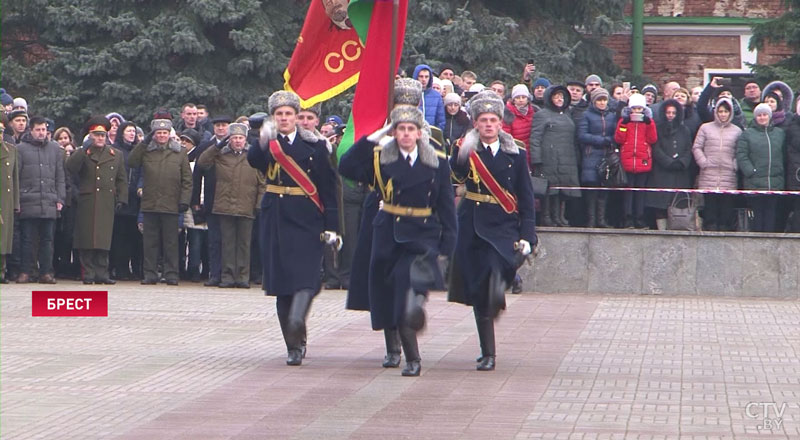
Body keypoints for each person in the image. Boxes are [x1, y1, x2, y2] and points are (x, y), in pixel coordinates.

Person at [338, 105, 456, 376]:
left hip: (423, 233)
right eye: (400, 129)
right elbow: (346, 166)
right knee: (390, 296)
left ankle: (413, 358)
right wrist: (373, 138)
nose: (405, 134)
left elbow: (446, 204)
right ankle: (398, 350)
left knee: (409, 295)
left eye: (410, 129)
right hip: (388, 232)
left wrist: (449, 247)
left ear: (418, 133)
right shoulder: (381, 157)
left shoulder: (435, 159)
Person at [247, 90, 339, 366]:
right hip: (276, 217)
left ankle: (298, 322)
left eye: (289, 114)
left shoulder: (316, 147)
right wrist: (263, 138)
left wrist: (333, 227)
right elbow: (254, 161)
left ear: (297, 118)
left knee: (306, 277)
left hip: (308, 219)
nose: (284, 118)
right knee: (282, 284)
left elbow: (328, 189)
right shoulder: (268, 144)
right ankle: (293, 344)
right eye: (279, 114)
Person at [448, 91, 536, 371]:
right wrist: (461, 155)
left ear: (500, 123)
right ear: (475, 123)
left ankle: (502, 286)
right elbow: (455, 178)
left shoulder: (516, 152)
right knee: (480, 289)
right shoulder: (465, 148)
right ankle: (489, 353)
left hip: (504, 225)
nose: (488, 125)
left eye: (493, 120)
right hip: (473, 224)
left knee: (495, 278)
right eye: (483, 120)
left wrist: (528, 234)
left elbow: (525, 196)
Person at [198, 123, 264, 288]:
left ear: (245, 139)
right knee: (227, 243)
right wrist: (217, 145)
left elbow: (262, 183)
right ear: (229, 140)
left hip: (246, 205)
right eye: (234, 138)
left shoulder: (254, 155)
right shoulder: (221, 155)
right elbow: (202, 162)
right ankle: (227, 277)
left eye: (240, 138)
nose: (237, 141)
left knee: (244, 244)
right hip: (224, 206)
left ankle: (242, 277)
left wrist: (259, 204)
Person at [128, 119, 193, 285]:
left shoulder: (180, 153)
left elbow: (187, 180)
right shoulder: (147, 150)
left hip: (172, 204)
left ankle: (171, 274)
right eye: (158, 133)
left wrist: (184, 201)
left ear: (169, 134)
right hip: (150, 203)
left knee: (171, 243)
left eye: (164, 133)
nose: (162, 136)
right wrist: (144, 142)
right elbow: (132, 161)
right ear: (154, 135)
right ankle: (150, 274)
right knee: (150, 243)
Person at [65, 117, 128, 284]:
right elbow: (70, 168)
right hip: (87, 200)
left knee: (103, 239)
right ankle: (88, 273)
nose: (100, 138)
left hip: (107, 201)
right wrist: (81, 150)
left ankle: (102, 273)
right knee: (86, 239)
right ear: (90, 136)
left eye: (102, 135)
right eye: (96, 135)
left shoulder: (116, 155)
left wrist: (122, 198)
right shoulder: (84, 152)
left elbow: (121, 179)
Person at [16, 116, 66, 284]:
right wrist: (18, 200)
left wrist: (60, 197)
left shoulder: (55, 149)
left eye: (43, 129)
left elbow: (60, 176)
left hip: (49, 201)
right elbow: (17, 176)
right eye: (37, 130)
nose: (41, 133)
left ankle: (46, 272)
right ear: (31, 130)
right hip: (28, 200)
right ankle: (26, 271)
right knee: (27, 240)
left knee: (47, 240)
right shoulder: (21, 149)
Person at [529, 85, 581, 227]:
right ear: (549, 98)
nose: (559, 99)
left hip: (567, 157)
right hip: (548, 158)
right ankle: (547, 216)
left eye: (562, 97)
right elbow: (535, 138)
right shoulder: (541, 114)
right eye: (556, 97)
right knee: (549, 189)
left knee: (563, 189)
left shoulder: (567, 114)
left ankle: (559, 216)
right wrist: (536, 158)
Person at [190, 115, 232, 286]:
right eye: (218, 126)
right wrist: (196, 200)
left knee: (229, 240)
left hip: (231, 200)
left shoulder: (237, 144)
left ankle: (229, 274)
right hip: (211, 198)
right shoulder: (206, 146)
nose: (221, 129)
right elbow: (197, 174)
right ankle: (215, 274)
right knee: (214, 241)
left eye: (224, 125)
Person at [692, 98, 742, 231]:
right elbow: (697, 147)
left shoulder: (737, 131)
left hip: (728, 175)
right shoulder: (705, 128)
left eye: (726, 111)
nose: (723, 114)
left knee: (726, 209)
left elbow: (740, 151)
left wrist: (734, 164)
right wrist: (704, 162)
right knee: (710, 208)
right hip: (709, 174)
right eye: (720, 111)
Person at [736, 103, 785, 232]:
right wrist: (751, 171)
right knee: (757, 216)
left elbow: (784, 154)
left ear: (769, 116)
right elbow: (742, 155)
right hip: (755, 182)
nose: (762, 117)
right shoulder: (747, 134)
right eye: (759, 115)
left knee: (771, 215)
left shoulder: (779, 133)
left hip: (774, 182)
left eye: (765, 115)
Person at [645, 99, 693, 229]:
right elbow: (656, 148)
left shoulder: (685, 130)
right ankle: (662, 229)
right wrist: (668, 162)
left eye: (673, 112)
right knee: (660, 204)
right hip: (661, 172)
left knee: (678, 203)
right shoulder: (658, 129)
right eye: (668, 112)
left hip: (680, 172)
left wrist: (682, 162)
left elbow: (689, 148)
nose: (671, 115)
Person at [614, 93, 658, 228]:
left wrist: (649, 123)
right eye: (634, 109)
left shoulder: (649, 121)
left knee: (640, 192)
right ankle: (627, 218)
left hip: (643, 159)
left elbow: (652, 139)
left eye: (639, 109)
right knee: (628, 191)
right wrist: (624, 124)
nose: (637, 112)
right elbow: (619, 139)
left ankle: (639, 217)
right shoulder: (624, 121)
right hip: (627, 160)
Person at [578, 88, 618, 228]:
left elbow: (617, 134)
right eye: (599, 100)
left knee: (604, 189)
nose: (602, 103)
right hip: (591, 155)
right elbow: (582, 135)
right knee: (591, 189)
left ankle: (601, 220)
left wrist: (610, 140)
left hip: (607, 156)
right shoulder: (586, 115)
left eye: (604, 100)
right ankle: (591, 220)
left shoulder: (612, 116)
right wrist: (602, 140)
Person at [109, 121, 142, 280]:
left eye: (133, 131)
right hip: (119, 200)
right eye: (129, 131)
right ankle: (119, 268)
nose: (132, 134)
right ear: (121, 132)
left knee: (133, 237)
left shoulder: (137, 151)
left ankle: (132, 269)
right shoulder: (115, 150)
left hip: (135, 200)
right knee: (119, 237)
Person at [0, 114, 19, 283]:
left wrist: (16, 202)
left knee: (5, 238)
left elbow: (15, 179)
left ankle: (2, 271)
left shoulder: (11, 150)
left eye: (1, 131)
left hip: (6, 200)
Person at [413, 64, 446, 131]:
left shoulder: (436, 96)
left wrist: (435, 134)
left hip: (430, 136)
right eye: (421, 76)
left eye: (426, 77)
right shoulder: (410, 93)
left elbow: (441, 120)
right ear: (416, 77)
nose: (424, 79)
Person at [502, 84, 535, 151]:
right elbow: (506, 137)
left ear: (528, 99)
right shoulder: (507, 114)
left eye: (523, 97)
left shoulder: (534, 112)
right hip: (516, 151)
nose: (521, 100)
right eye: (517, 97)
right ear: (513, 100)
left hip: (531, 151)